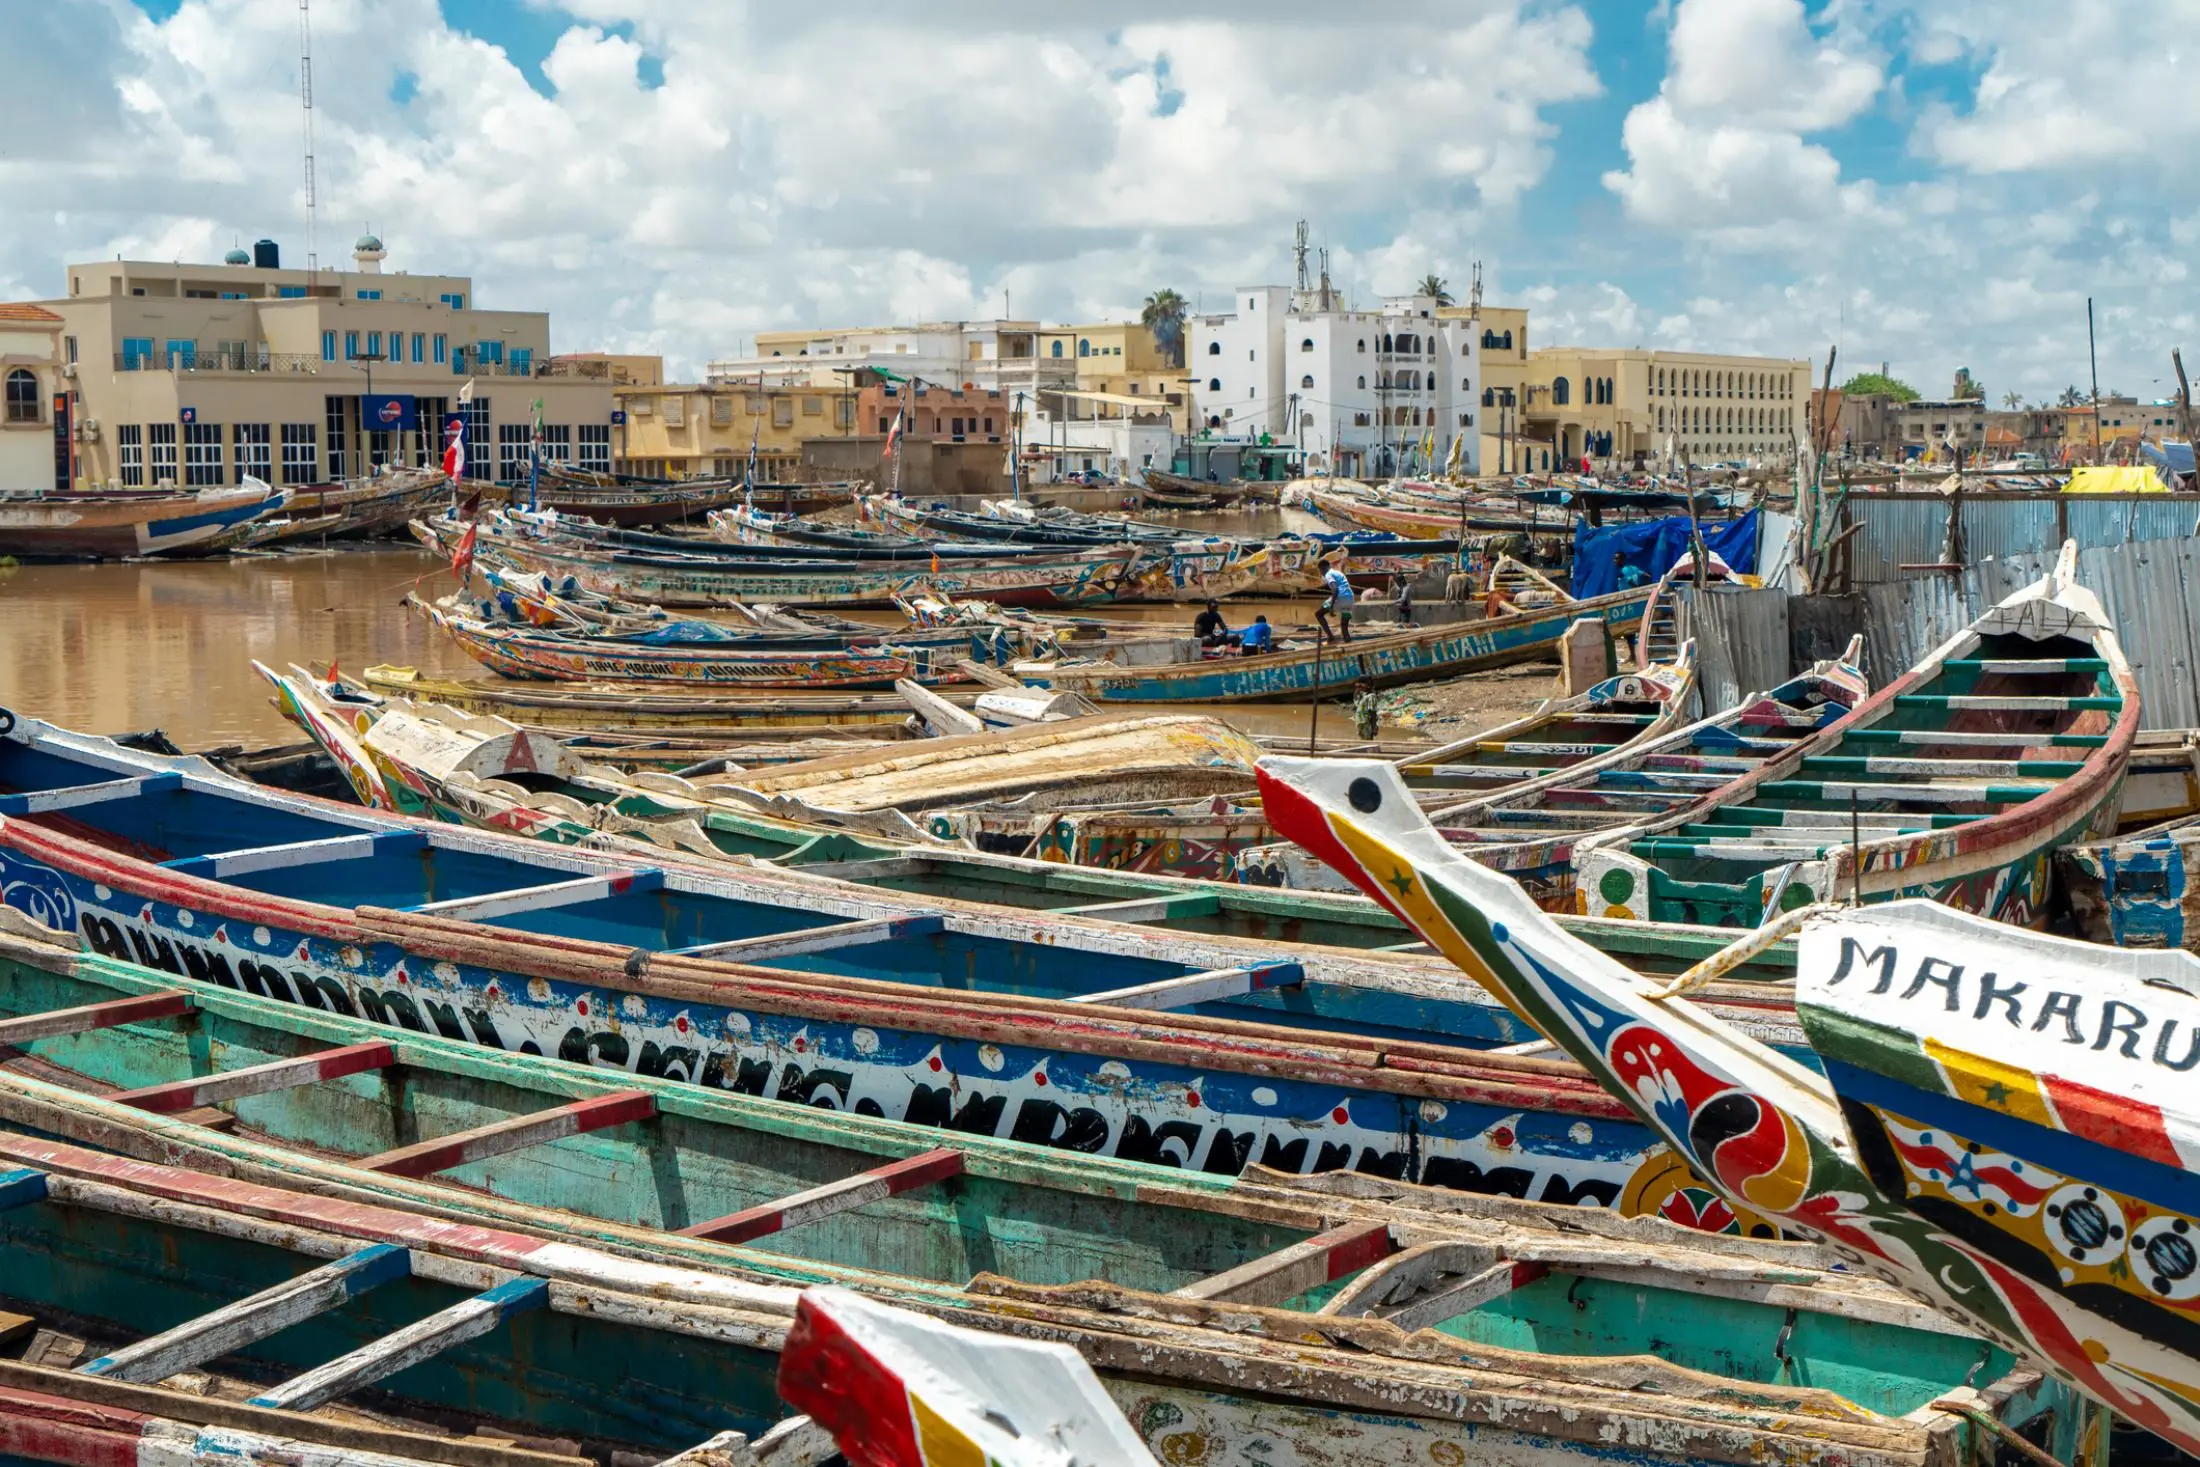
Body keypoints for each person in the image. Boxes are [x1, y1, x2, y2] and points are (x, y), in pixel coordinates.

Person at [1316, 563, 1356, 643]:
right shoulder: (1338, 573)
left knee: (1319, 614)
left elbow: (1335, 590)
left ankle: (1330, 637)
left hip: (1340, 598)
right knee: (1344, 626)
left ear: (1322, 569)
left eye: (1320, 571)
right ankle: (1347, 641)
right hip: (1350, 598)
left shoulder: (1328, 574)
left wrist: (1331, 607)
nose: (1321, 573)